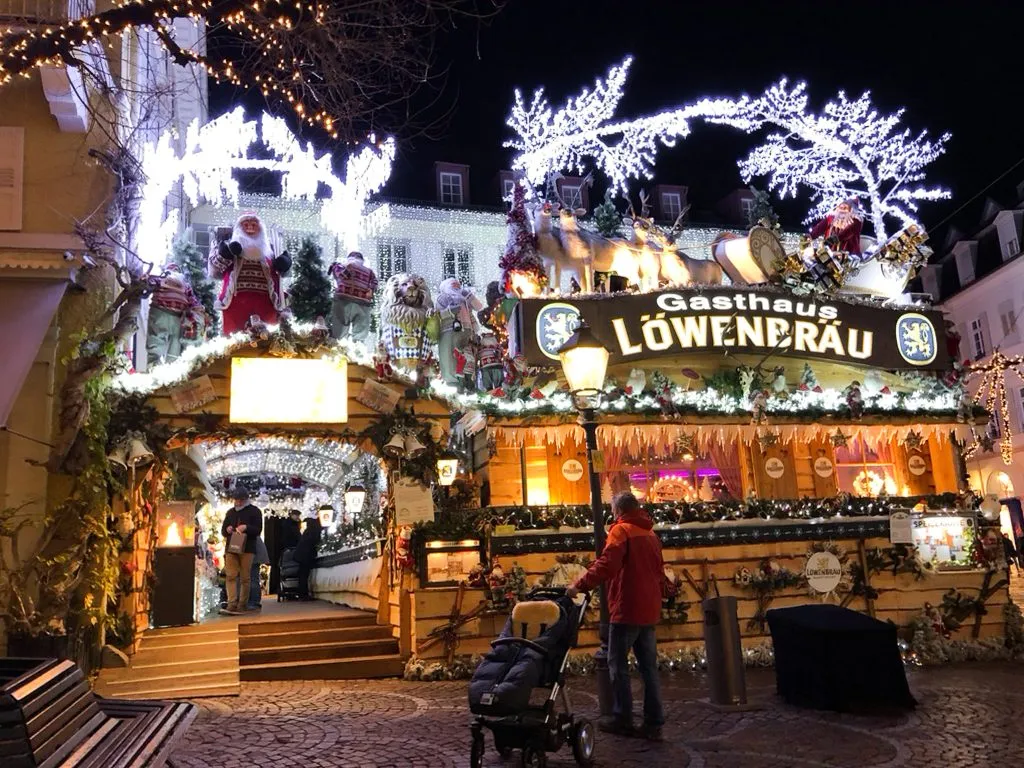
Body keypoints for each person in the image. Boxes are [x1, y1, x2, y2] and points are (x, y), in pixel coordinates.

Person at [566, 492, 667, 741]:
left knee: (617, 664)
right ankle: (654, 721)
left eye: (612, 509)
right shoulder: (650, 533)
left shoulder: (621, 532)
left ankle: (623, 717)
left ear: (618, 510)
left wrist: (579, 585)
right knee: (648, 668)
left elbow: (607, 565)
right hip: (649, 608)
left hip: (627, 606)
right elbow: (659, 570)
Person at [220, 489, 264, 614]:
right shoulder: (230, 512)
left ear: (245, 499)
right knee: (231, 575)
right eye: (236, 500)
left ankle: (242, 603)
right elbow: (223, 530)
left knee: (245, 577)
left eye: (240, 500)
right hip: (232, 547)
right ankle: (232, 603)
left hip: (248, 548)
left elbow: (258, 530)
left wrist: (246, 528)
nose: (238, 502)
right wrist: (227, 529)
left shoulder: (255, 511)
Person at [292, 516, 323, 600]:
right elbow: (314, 542)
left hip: (301, 555)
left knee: (302, 575)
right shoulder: (314, 530)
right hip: (305, 555)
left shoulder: (309, 530)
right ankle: (303, 595)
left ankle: (302, 594)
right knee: (304, 575)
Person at [247, 535, 270, 611]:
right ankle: (253, 601)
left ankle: (253, 602)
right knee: (253, 578)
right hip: (254, 552)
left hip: (252, 553)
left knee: (252, 578)